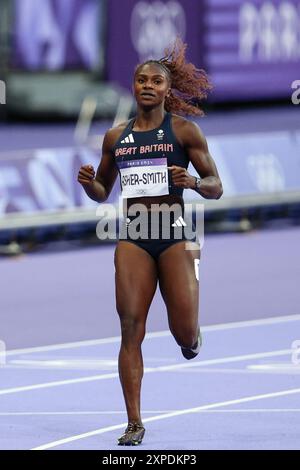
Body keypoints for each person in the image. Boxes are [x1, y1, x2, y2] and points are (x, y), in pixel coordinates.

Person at [77, 38, 223, 446]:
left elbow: (217, 187)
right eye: (140, 80)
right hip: (134, 238)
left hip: (174, 237)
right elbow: (104, 189)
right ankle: (134, 422)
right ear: (133, 86)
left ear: (166, 89)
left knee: (183, 333)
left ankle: (193, 338)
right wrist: (92, 184)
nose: (147, 86)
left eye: (155, 81)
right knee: (130, 327)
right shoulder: (115, 137)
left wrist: (193, 181)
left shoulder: (184, 131)